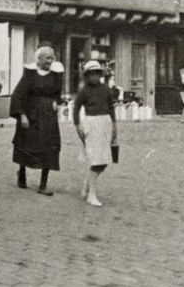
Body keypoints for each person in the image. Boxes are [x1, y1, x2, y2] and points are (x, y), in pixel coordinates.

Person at [9, 46, 64, 196]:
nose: (51, 61)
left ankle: (43, 184)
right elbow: (17, 96)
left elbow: (58, 92)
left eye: (52, 58)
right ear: (38, 59)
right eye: (48, 58)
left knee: (49, 146)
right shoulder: (30, 75)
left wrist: (55, 101)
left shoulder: (56, 74)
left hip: (48, 117)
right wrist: (22, 115)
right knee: (26, 144)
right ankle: (22, 172)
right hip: (31, 115)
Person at [73, 60, 117, 207]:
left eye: (97, 73)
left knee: (104, 161)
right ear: (86, 76)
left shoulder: (106, 89)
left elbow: (111, 109)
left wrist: (114, 127)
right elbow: (76, 108)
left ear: (100, 74)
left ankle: (87, 182)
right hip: (91, 124)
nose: (94, 76)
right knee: (95, 160)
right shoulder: (84, 91)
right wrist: (78, 125)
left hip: (105, 123)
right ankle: (91, 195)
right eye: (91, 74)